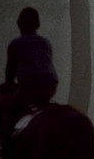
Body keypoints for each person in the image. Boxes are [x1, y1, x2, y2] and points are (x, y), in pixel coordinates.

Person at [3, 7, 59, 135]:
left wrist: (7, 94)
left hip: (28, 88)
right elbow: (47, 63)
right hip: (50, 87)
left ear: (20, 24)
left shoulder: (16, 44)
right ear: (37, 25)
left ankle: (6, 142)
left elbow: (9, 74)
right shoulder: (45, 42)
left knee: (10, 111)